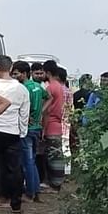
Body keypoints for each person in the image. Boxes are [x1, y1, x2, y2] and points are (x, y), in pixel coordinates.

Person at [0, 55, 29, 214]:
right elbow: (24, 114)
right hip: (12, 132)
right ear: (11, 68)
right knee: (14, 170)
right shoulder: (21, 89)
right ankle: (16, 203)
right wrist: (22, 133)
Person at [12, 60, 48, 202]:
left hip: (26, 129)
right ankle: (36, 190)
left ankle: (30, 192)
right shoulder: (37, 87)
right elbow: (49, 99)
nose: (14, 77)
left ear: (25, 73)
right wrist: (40, 113)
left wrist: (26, 118)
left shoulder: (24, 89)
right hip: (36, 128)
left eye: (16, 74)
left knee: (27, 162)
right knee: (32, 160)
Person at [42, 60, 65, 192]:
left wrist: (43, 129)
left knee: (52, 157)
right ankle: (56, 183)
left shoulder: (50, 88)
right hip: (58, 124)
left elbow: (46, 111)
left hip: (51, 124)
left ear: (48, 72)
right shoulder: (59, 86)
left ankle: (54, 185)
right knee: (57, 155)